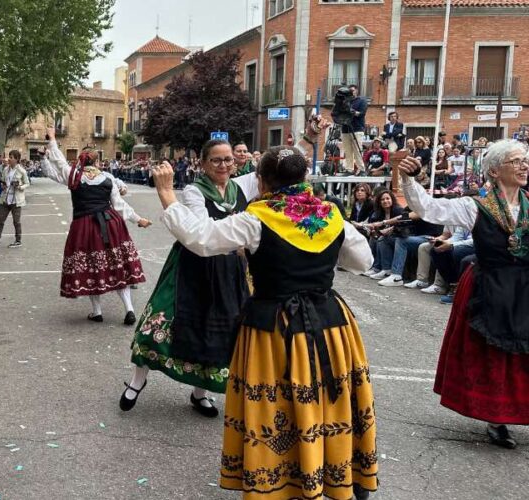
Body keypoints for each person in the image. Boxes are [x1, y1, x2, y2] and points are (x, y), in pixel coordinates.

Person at [153, 141, 378, 500]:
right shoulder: (331, 214)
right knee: (328, 399)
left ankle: (279, 483)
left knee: (275, 405)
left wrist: (167, 194)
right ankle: (333, 475)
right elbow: (362, 261)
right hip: (329, 323)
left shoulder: (257, 219)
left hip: (275, 327)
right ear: (304, 177)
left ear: (261, 181)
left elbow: (201, 239)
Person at [399, 141, 529, 449]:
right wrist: (409, 180)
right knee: (493, 354)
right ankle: (496, 418)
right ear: (495, 171)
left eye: (525, 160)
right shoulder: (475, 206)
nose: (524, 166)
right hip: (490, 286)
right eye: (516, 161)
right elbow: (429, 208)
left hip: (523, 287)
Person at [121, 140, 257, 418]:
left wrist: (309, 138)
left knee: (218, 330)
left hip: (228, 270)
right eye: (217, 160)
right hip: (192, 265)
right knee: (159, 318)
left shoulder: (242, 186)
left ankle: (200, 394)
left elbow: (282, 167)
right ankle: (137, 380)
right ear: (204, 164)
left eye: (228, 160)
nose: (224, 165)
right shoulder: (195, 191)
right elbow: (202, 231)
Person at [40, 129, 152, 324]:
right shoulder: (107, 179)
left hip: (84, 226)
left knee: (92, 266)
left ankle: (97, 311)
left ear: (81, 161)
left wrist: (52, 142)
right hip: (110, 224)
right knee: (116, 264)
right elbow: (119, 206)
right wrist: (138, 219)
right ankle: (129, 309)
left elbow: (58, 163)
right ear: (97, 161)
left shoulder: (74, 176)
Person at [363, 189, 406, 279]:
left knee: (381, 239)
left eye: (387, 198)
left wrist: (390, 229)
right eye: (382, 200)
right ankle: (376, 267)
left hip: (398, 236)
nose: (385, 201)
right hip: (388, 236)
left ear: (392, 199)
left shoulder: (398, 210)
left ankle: (386, 269)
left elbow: (402, 224)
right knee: (374, 238)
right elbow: (375, 225)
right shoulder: (379, 213)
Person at [0, 150, 30, 248]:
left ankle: (18, 240)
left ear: (16, 159)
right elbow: (3, 181)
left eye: (11, 157)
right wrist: (2, 185)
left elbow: (27, 183)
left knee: (16, 221)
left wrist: (20, 187)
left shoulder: (21, 170)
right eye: (9, 157)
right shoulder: (5, 169)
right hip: (5, 198)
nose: (9, 159)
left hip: (16, 200)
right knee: (0, 220)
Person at [341, 84, 368, 174]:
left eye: (352, 90)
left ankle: (361, 169)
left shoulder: (361, 101)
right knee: (347, 150)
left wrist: (351, 111)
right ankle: (349, 169)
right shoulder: (345, 101)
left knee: (357, 149)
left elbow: (361, 113)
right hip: (345, 128)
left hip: (357, 128)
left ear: (356, 91)